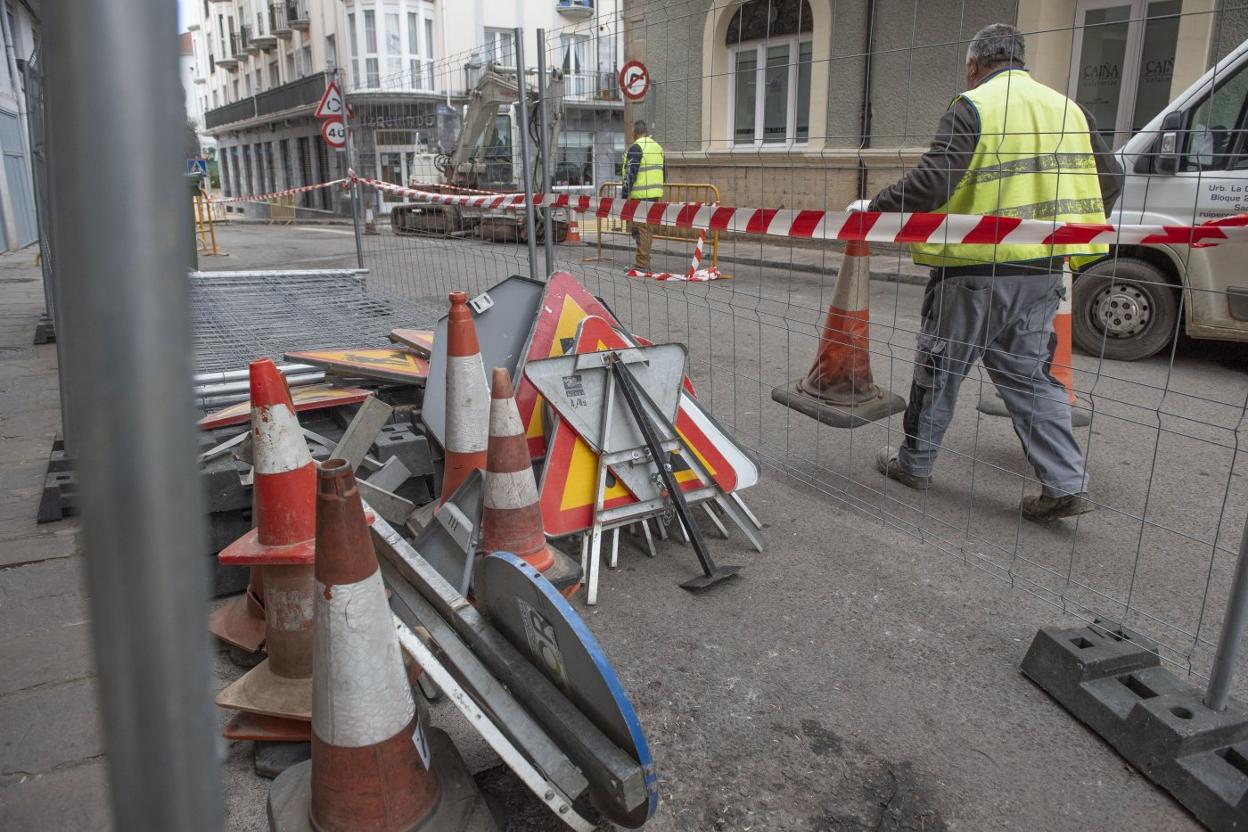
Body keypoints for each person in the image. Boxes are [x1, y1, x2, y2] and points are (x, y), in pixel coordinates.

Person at [860, 23, 1123, 522]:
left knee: (940, 368)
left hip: (974, 271)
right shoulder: (1068, 109)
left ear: (974, 64)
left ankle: (914, 464)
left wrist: (875, 207)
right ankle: (1065, 481)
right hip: (1043, 272)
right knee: (1029, 378)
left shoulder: (974, 105)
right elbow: (1112, 179)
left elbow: (933, 183)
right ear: (1020, 60)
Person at [621, 119, 666, 270]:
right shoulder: (657, 147)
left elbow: (629, 174)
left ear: (635, 132)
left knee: (643, 229)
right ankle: (643, 259)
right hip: (655, 194)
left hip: (640, 195)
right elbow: (665, 172)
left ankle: (642, 263)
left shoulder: (637, 147)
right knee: (642, 228)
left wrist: (624, 195)